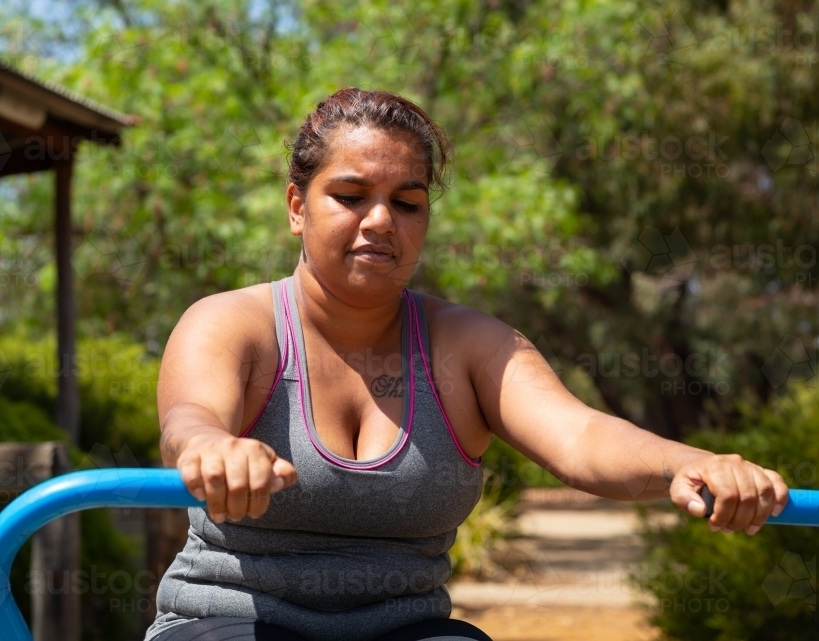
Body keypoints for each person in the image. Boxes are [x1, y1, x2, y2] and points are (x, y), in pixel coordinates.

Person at [144, 88, 789, 641]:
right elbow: (190, 419)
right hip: (228, 623)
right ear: (296, 207)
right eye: (349, 194)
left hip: (406, 629)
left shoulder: (468, 344)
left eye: (407, 201)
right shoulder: (233, 323)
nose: (380, 221)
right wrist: (210, 447)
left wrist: (692, 463)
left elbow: (582, 436)